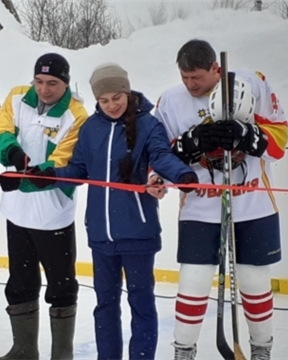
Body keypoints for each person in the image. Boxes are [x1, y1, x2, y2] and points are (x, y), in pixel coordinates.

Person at [28, 63, 199, 360]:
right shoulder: (91, 128)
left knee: (141, 304)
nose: (111, 105)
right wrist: (49, 175)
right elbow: (78, 168)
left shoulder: (148, 124)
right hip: (101, 235)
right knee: (105, 305)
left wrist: (183, 175)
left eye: (116, 97)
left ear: (126, 91)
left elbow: (161, 155)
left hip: (137, 234)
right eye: (104, 100)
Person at [153, 39, 288, 360]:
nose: (190, 85)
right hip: (200, 209)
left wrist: (250, 136)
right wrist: (189, 145)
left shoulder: (252, 84)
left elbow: (280, 142)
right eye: (184, 77)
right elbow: (159, 157)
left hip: (254, 205)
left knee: (255, 280)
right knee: (193, 282)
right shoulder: (170, 101)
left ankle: (260, 349)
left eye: (196, 77)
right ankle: (183, 350)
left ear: (216, 68)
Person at [0, 53, 88, 360]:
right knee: (19, 282)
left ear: (66, 83)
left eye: (53, 84)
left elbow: (60, 165)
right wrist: (13, 155)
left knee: (61, 286)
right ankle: (23, 350)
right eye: (40, 81)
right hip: (17, 213)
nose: (45, 90)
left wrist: (22, 179)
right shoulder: (17, 96)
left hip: (53, 215)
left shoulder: (77, 115)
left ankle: (61, 353)